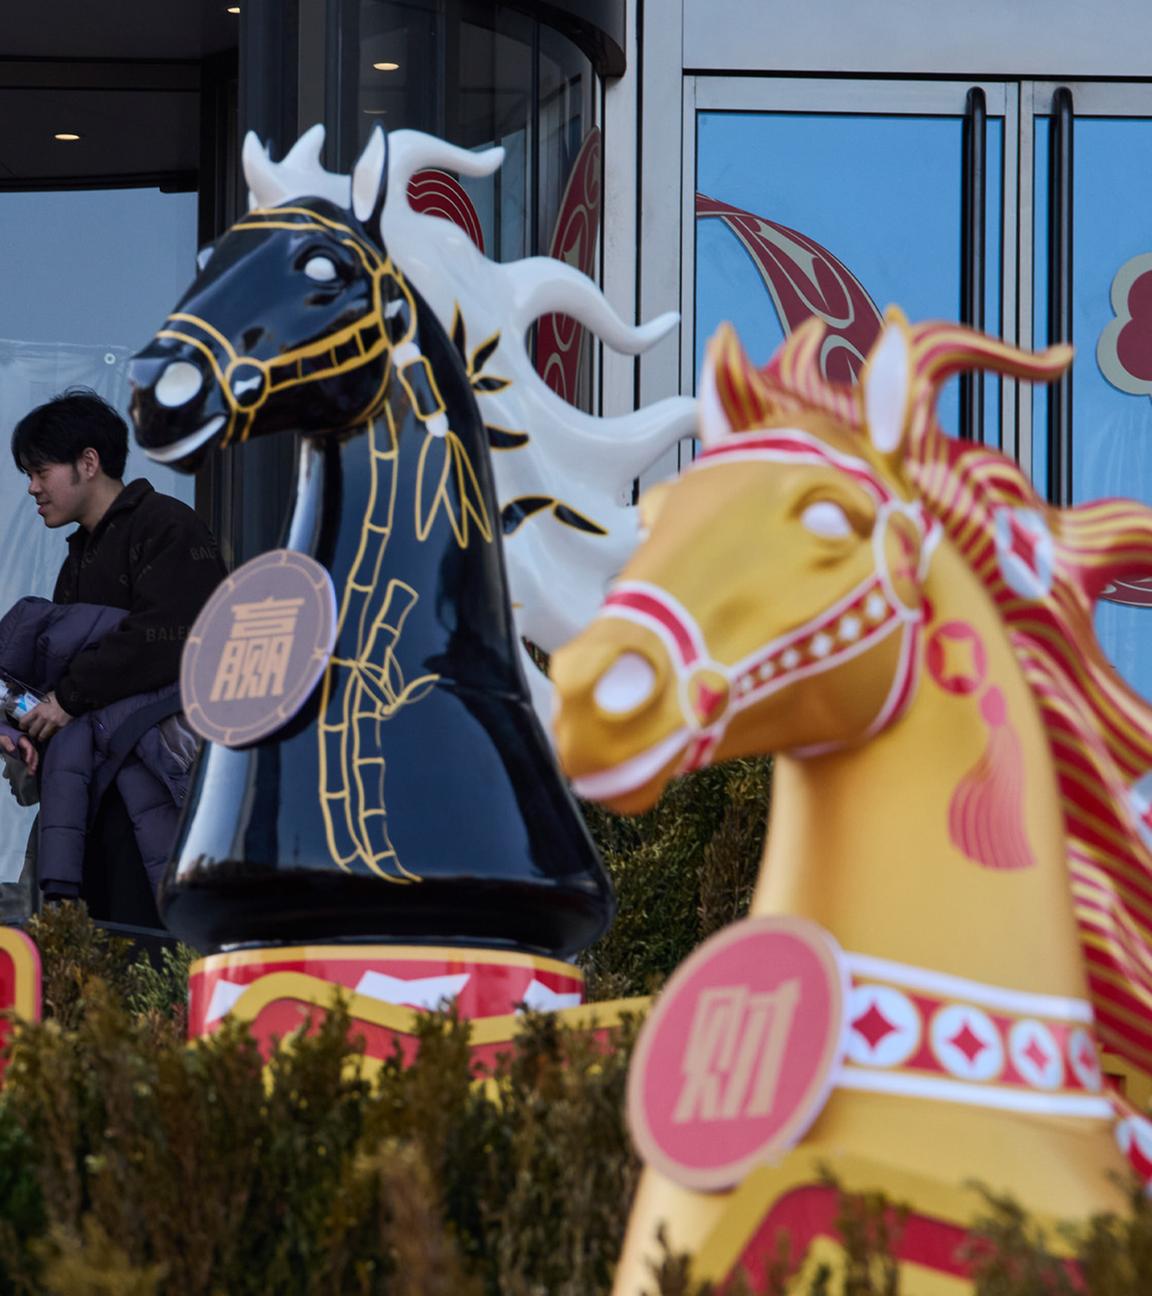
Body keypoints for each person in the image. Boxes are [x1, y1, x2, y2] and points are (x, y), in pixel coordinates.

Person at [4, 387, 226, 923]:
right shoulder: (77, 558)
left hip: (155, 785)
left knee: (146, 929)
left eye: (40, 471)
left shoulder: (167, 525)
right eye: (27, 475)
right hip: (93, 791)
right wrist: (25, 727)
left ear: (88, 462)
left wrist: (68, 698)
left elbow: (174, 636)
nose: (32, 488)